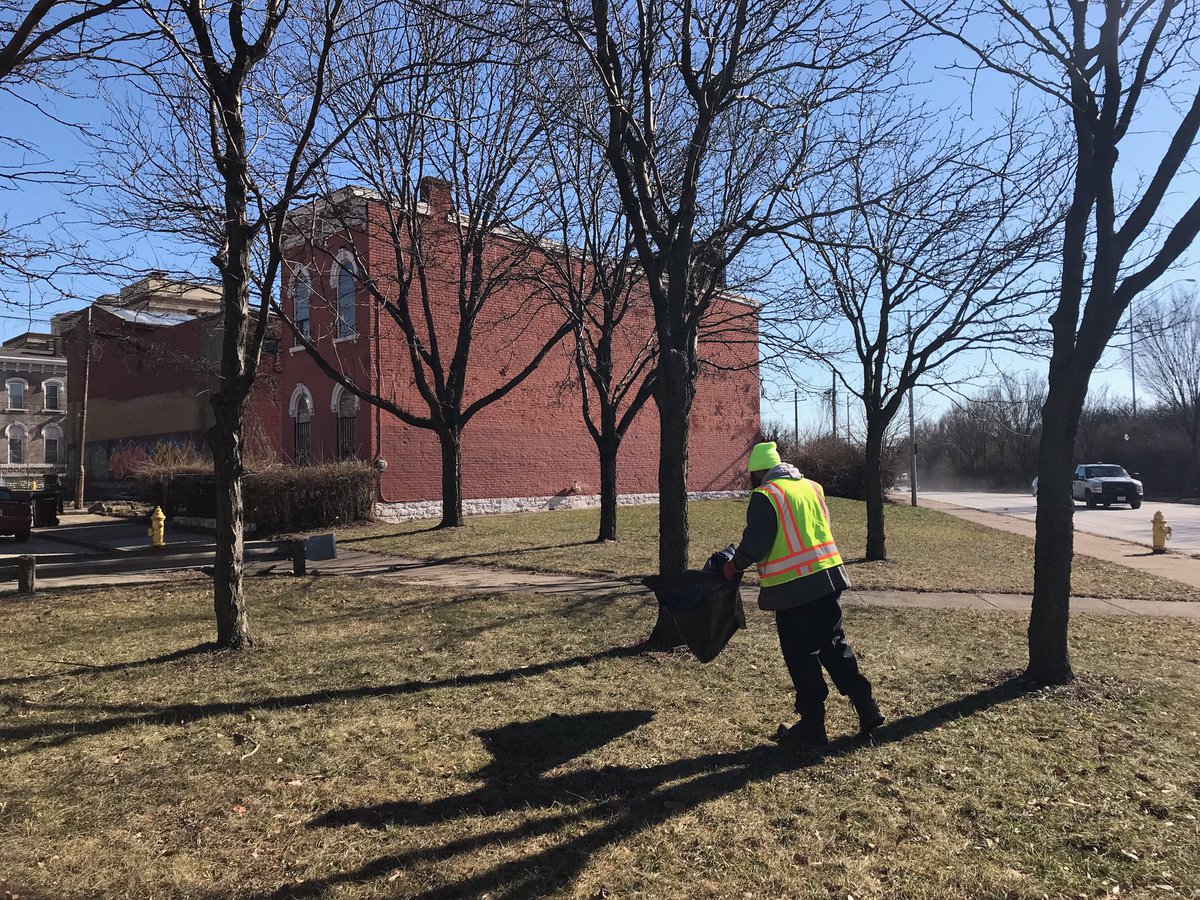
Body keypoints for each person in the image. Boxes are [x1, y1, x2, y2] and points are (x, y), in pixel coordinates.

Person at [721, 440, 883, 746]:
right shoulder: (812, 487)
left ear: (758, 473)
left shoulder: (766, 495)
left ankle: (812, 725)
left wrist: (734, 566)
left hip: (793, 587)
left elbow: (757, 542)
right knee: (833, 645)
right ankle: (866, 705)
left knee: (801, 656)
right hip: (829, 578)